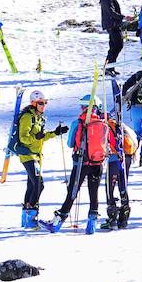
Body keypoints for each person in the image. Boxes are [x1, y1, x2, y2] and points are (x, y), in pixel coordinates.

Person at [45, 94, 112, 233]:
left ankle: (58, 223)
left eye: (82, 106)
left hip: (81, 163)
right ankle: (91, 224)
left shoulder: (78, 122)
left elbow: (70, 144)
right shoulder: (103, 123)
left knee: (72, 192)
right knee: (94, 193)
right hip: (98, 162)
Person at [12, 89, 68, 227]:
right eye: (41, 103)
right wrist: (35, 137)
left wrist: (55, 132)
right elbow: (23, 138)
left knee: (32, 185)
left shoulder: (39, 117)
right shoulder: (27, 117)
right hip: (27, 154)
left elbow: (42, 137)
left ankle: (26, 219)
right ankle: (31, 216)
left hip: (36, 155)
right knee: (39, 184)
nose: (44, 106)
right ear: (33, 103)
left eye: (45, 103)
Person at [100, 0, 124, 74]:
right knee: (117, 46)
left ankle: (110, 68)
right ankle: (108, 68)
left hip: (113, 25)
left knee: (115, 46)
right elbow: (111, 12)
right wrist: (123, 17)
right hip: (112, 25)